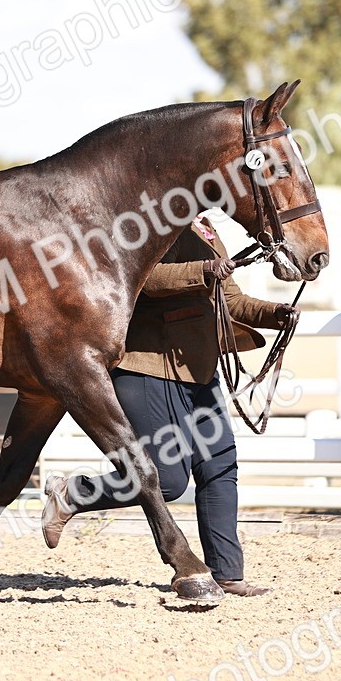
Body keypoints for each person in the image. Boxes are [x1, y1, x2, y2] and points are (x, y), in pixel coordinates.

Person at [40, 214, 298, 596]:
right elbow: (146, 280)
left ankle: (226, 572)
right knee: (169, 480)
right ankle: (71, 494)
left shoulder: (205, 230)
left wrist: (275, 314)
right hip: (145, 367)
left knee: (219, 467)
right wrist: (205, 269)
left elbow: (232, 300)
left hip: (198, 368)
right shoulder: (136, 224)